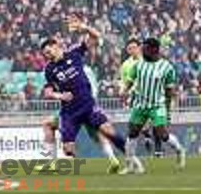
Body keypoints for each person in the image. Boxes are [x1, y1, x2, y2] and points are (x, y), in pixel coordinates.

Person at [40, 16, 133, 171]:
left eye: (48, 51)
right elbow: (48, 91)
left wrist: (83, 26)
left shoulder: (74, 53)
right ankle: (68, 163)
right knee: (69, 149)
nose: (47, 56)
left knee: (105, 132)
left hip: (87, 105)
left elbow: (96, 36)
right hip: (70, 111)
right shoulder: (50, 69)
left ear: (56, 46)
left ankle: (124, 160)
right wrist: (59, 96)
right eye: (45, 54)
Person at [41, 61, 121, 173]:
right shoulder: (82, 69)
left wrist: (59, 95)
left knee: (48, 124)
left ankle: (52, 163)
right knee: (98, 134)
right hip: (89, 107)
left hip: (72, 110)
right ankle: (113, 159)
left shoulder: (63, 71)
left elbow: (52, 92)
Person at [122, 37, 186, 175]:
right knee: (132, 133)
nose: (142, 50)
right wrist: (124, 90)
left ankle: (180, 150)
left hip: (157, 105)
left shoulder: (167, 68)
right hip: (140, 104)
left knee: (161, 134)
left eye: (144, 48)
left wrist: (168, 111)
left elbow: (169, 92)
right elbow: (130, 81)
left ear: (154, 50)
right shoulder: (138, 65)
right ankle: (129, 165)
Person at [120, 38, 154, 155]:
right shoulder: (125, 65)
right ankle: (146, 136)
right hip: (134, 95)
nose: (132, 50)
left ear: (139, 48)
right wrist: (123, 93)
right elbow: (124, 81)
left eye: (134, 47)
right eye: (129, 49)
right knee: (136, 122)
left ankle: (148, 135)